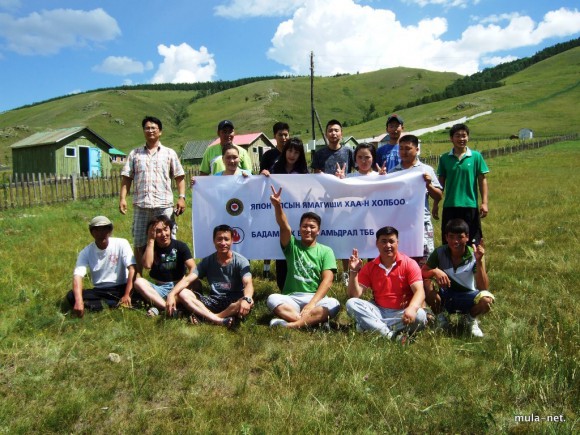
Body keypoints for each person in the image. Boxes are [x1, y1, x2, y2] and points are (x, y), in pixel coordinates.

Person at [266, 186, 340, 329]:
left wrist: (311, 304)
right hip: (291, 297)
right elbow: (284, 227)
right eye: (304, 226)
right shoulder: (292, 245)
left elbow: (328, 280)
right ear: (299, 229)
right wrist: (277, 206)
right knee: (272, 299)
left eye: (312, 227)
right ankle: (313, 322)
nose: (308, 230)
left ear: (318, 231)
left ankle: (290, 325)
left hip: (315, 298)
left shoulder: (326, 251)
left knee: (334, 304)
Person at [119, 116, 186, 274]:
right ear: (143, 131)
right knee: (140, 242)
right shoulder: (135, 154)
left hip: (164, 206)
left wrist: (182, 197)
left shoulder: (169, 153)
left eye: (153, 128)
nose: (150, 130)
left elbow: (180, 177)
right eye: (147, 128)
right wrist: (122, 198)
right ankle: (139, 280)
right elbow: (126, 178)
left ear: (160, 131)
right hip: (142, 206)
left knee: (169, 242)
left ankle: (172, 276)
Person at [345, 226, 427, 343]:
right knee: (351, 304)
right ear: (377, 244)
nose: (388, 245)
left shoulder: (409, 263)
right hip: (379, 311)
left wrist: (412, 308)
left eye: (391, 241)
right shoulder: (370, 266)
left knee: (420, 315)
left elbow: (420, 291)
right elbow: (355, 295)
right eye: (383, 241)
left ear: (397, 243)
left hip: (402, 313)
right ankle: (391, 336)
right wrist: (353, 272)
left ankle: (371, 326)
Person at [166, 224, 254, 328]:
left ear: (232, 241)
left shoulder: (241, 261)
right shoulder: (207, 261)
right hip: (213, 300)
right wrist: (171, 294)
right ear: (214, 241)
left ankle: (209, 318)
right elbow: (187, 280)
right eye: (219, 239)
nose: (223, 243)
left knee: (249, 301)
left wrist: (247, 298)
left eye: (226, 239)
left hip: (233, 301)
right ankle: (219, 320)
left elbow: (248, 283)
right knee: (183, 293)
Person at [421, 218, 494, 337]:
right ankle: (441, 318)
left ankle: (470, 319)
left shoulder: (474, 254)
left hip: (468, 296)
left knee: (487, 300)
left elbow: (483, 287)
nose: (455, 241)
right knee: (426, 283)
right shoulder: (439, 252)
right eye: (451, 237)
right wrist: (435, 271)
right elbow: (423, 272)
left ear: (467, 237)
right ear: (446, 237)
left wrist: (480, 261)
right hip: (446, 296)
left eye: (460, 237)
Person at [391, 134, 443, 286]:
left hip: (422, 222)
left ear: (417, 149)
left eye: (408, 148)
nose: (404, 152)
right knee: (401, 258)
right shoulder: (394, 172)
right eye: (401, 148)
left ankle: (425, 291)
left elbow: (438, 196)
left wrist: (428, 185)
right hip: (400, 223)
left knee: (425, 259)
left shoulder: (426, 170)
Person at [262, 138, 309, 290]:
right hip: (278, 217)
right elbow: (261, 188)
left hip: (297, 218)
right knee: (281, 253)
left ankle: (300, 286)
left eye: (296, 152)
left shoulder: (303, 172)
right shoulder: (275, 169)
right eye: (290, 150)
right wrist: (262, 175)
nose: (292, 155)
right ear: (285, 151)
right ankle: (282, 287)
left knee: (297, 252)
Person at [311, 119, 354, 286]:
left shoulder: (348, 151)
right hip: (325, 200)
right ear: (327, 134)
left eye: (337, 130)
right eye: (330, 130)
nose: (333, 133)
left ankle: (345, 272)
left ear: (341, 133)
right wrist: (331, 181)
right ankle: (325, 271)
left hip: (344, 200)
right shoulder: (320, 154)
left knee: (343, 235)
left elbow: (354, 172)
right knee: (325, 235)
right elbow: (316, 174)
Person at [66, 216, 136, 317]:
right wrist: (79, 301)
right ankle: (114, 304)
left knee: (139, 288)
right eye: (97, 230)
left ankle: (107, 304)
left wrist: (126, 295)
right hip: (100, 290)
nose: (101, 233)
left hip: (121, 287)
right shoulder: (85, 252)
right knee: (72, 295)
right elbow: (78, 276)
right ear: (92, 232)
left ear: (110, 230)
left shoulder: (122, 243)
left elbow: (132, 268)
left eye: (104, 229)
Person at [437, 123, 489, 245]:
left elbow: (482, 180)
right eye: (457, 136)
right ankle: (449, 264)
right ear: (451, 138)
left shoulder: (476, 156)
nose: (461, 139)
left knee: (473, 240)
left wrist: (484, 203)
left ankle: (475, 264)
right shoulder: (444, 158)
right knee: (448, 240)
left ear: (468, 137)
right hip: (450, 205)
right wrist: (436, 204)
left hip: (470, 205)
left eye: (464, 136)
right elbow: (441, 183)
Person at [133, 215, 195, 316]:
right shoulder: (149, 247)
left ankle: (158, 307)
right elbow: (147, 265)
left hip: (178, 286)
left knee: (194, 283)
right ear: (152, 233)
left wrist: (185, 283)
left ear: (170, 229)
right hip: (160, 288)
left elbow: (193, 268)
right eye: (158, 231)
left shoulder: (180, 246)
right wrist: (151, 240)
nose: (163, 234)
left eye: (166, 229)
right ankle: (167, 308)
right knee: (139, 282)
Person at [259, 122, 291, 280]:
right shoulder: (268, 155)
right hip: (271, 201)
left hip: (291, 203)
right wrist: (262, 173)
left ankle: (287, 267)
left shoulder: (293, 153)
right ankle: (266, 269)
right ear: (274, 136)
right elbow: (260, 176)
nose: (284, 138)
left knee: (286, 232)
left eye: (286, 134)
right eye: (280, 135)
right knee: (270, 231)